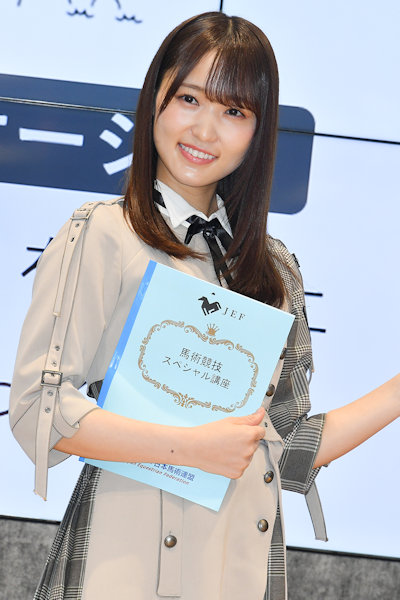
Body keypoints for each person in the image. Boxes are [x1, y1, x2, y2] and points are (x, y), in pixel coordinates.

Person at [9, 11, 400, 600]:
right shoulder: (104, 233)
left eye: (234, 111)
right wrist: (192, 449)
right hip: (126, 563)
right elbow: (37, 409)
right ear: (156, 99)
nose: (205, 130)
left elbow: (287, 446)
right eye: (189, 98)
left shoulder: (274, 269)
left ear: (259, 131)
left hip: (238, 570)